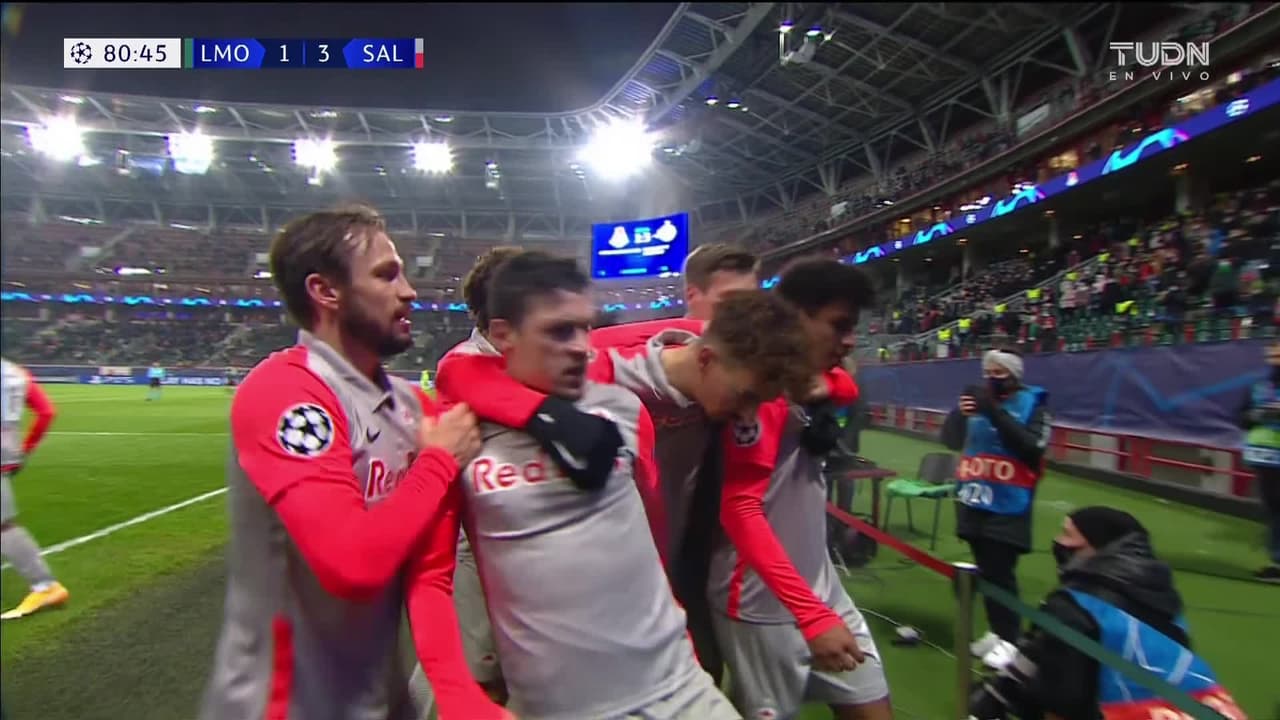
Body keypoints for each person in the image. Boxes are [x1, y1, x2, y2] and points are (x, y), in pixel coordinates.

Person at [407, 252, 741, 719]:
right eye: (558, 329)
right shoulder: (458, 418)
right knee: (481, 682)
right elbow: (458, 370)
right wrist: (544, 415)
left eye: (583, 327)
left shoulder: (608, 396)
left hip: (658, 671)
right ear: (501, 332)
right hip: (500, 595)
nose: (582, 346)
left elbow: (650, 524)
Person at [199, 205, 494, 720]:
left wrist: (458, 694)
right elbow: (352, 567)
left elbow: (431, 573)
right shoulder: (286, 393)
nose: (409, 291)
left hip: (384, 701)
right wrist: (439, 461)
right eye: (386, 274)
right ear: (325, 291)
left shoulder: (413, 407)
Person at [714, 258, 892, 720]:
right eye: (838, 325)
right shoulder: (755, 392)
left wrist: (827, 385)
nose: (849, 340)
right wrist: (808, 614)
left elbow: (846, 385)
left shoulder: (806, 383)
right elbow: (739, 508)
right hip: (759, 600)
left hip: (822, 587)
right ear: (793, 317)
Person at [969, 507, 1247, 720]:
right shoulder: (1164, 596)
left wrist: (1013, 701)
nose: (1058, 542)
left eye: (1067, 535)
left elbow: (1064, 700)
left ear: (1098, 545)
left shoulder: (1072, 605)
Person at [942, 348, 1051, 670]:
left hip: (1009, 503)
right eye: (987, 372)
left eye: (999, 373)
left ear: (1014, 376)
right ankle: (997, 631)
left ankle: (1010, 640)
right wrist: (959, 415)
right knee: (985, 570)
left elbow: (1032, 448)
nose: (991, 378)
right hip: (976, 498)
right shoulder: (978, 404)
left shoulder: (1034, 406)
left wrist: (993, 412)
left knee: (1001, 572)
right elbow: (950, 440)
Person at [0, 357, 66, 621]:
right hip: (6, 455)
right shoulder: (16, 373)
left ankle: (45, 585)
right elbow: (46, 413)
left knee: (4, 526)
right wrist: (24, 450)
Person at [1238, 341, 1280, 583]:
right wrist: (1258, 414)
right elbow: (1241, 418)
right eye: (1274, 355)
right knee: (1274, 509)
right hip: (1264, 457)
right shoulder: (1258, 387)